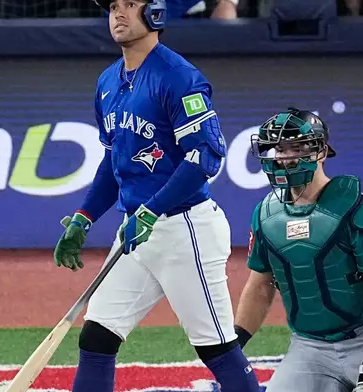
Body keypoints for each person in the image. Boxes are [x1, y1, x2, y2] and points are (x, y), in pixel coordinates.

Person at [51, 1, 260, 391]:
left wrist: (151, 212)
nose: (118, 13)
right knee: (97, 336)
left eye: (130, 4)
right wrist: (84, 217)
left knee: (216, 348)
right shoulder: (108, 82)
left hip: (185, 230)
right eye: (113, 6)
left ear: (156, 13)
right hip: (136, 234)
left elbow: (206, 156)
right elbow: (115, 159)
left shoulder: (178, 76)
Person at [233, 107, 363, 392]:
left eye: (296, 146)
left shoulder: (360, 211)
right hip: (310, 348)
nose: (285, 156)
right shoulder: (265, 215)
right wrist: (232, 349)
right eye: (278, 148)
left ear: (321, 152)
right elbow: (260, 287)